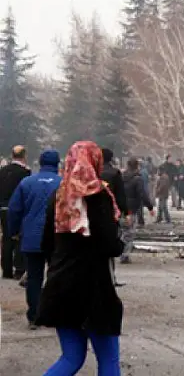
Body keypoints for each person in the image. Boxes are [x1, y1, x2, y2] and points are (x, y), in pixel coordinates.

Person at [36, 141, 124, 375]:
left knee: (71, 358)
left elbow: (46, 244)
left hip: (61, 286)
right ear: (96, 162)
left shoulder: (58, 196)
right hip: (93, 289)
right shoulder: (99, 196)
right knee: (108, 360)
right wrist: (119, 243)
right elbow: (109, 244)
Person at [6, 149, 62, 330]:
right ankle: (54, 313)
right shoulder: (64, 184)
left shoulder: (27, 182)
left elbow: (14, 210)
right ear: (57, 163)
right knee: (56, 276)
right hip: (57, 238)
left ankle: (34, 315)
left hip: (32, 236)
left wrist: (13, 231)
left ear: (39, 162)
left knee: (34, 277)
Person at [0, 145, 32, 280]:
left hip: (3, 208)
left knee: (6, 238)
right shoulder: (25, 172)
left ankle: (6, 269)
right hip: (18, 208)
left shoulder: (2, 171)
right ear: (24, 156)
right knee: (19, 237)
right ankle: (19, 268)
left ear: (12, 155)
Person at [100, 148, 128, 287]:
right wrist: (125, 212)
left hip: (94, 214)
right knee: (110, 245)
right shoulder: (115, 173)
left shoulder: (92, 172)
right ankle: (111, 278)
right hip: (112, 214)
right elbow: (121, 196)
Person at [121, 158, 154, 264]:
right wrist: (150, 207)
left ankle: (119, 251)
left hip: (120, 207)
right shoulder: (137, 179)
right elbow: (142, 194)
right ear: (137, 166)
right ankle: (124, 255)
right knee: (129, 232)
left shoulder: (121, 176)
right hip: (131, 208)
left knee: (122, 230)